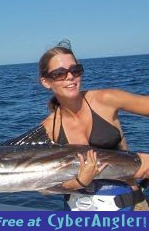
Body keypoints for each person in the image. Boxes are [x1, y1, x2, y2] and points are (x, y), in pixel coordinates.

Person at [37, 39, 149, 211]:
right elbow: (44, 186)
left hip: (130, 207)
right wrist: (79, 182)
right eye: (59, 73)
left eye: (75, 70)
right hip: (78, 212)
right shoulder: (47, 129)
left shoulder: (106, 100)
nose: (70, 76)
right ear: (46, 81)